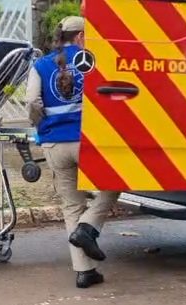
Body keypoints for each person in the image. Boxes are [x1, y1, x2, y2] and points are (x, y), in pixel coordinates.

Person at [25, 16, 120, 289]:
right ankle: (88, 226)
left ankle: (84, 271)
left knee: (71, 205)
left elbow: (31, 100)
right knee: (116, 181)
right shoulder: (91, 61)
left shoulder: (40, 65)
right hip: (87, 142)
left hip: (55, 144)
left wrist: (42, 125)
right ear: (80, 37)